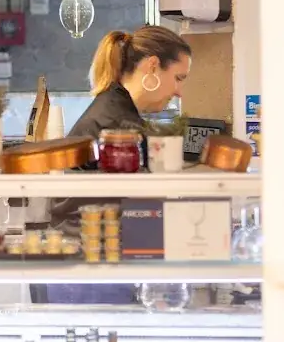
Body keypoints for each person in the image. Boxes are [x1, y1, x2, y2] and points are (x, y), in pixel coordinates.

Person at [43, 25, 193, 305]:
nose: (179, 92)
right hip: (93, 273)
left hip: (89, 265)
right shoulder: (117, 124)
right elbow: (136, 206)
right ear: (152, 66)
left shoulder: (116, 110)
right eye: (178, 78)